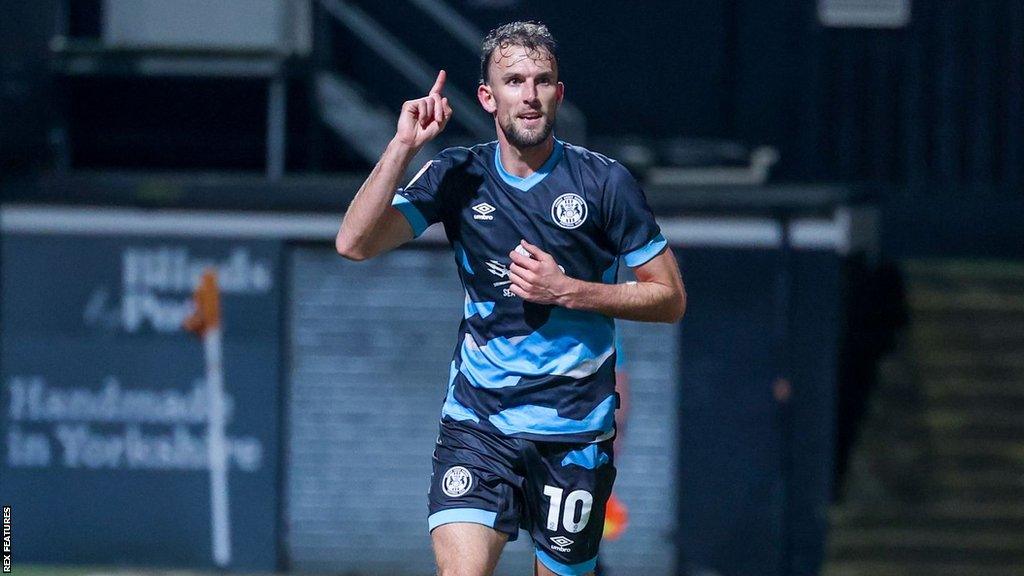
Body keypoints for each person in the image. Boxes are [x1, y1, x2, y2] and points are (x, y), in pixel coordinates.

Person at [335, 21, 685, 576]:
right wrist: (403, 145)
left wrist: (568, 290)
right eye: (514, 80)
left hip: (573, 436)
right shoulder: (458, 175)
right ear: (487, 96)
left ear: (559, 94)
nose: (529, 94)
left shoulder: (605, 185)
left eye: (542, 80)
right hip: (479, 426)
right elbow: (353, 242)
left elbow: (669, 299)